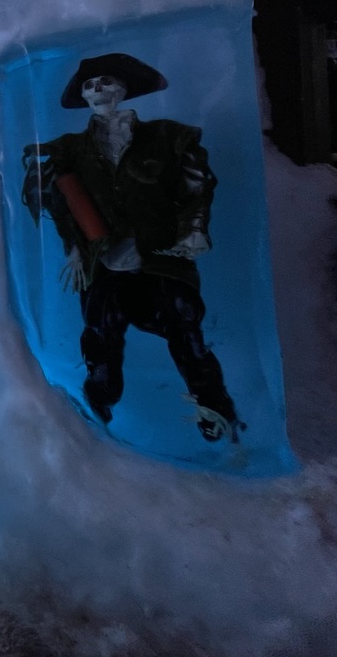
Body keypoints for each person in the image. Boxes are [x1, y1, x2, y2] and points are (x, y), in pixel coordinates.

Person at [22, 53, 242, 442]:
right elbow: (61, 203)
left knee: (184, 327)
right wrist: (74, 247)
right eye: (89, 85)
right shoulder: (70, 149)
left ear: (124, 88)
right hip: (105, 259)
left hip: (161, 256)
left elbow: (196, 188)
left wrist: (194, 230)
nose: (97, 89)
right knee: (100, 331)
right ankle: (97, 407)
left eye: (105, 81)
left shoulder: (168, 137)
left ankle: (215, 409)